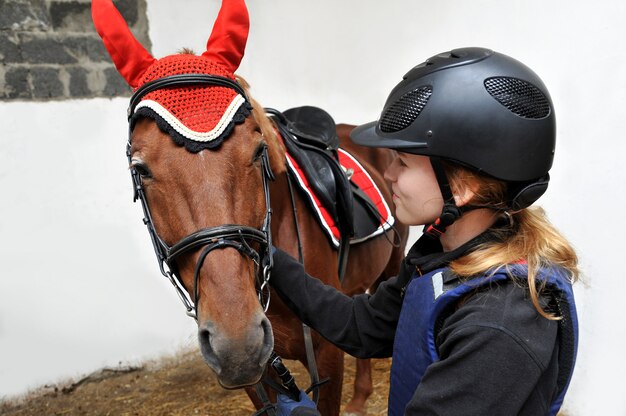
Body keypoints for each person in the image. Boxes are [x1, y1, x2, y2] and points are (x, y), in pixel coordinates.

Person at [272, 47, 579, 416]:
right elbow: (363, 326)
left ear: (462, 186)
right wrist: (270, 258)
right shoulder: (444, 253)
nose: (388, 176)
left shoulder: (499, 322)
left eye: (402, 162)